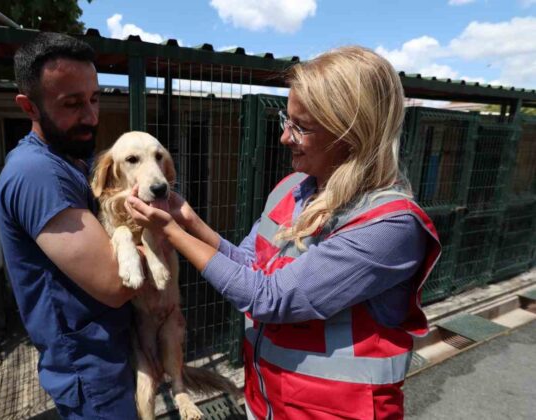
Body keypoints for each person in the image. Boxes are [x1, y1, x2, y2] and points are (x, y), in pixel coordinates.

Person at [126, 46, 442, 420]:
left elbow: (269, 298)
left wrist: (173, 235)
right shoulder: (293, 189)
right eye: (285, 120)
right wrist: (189, 221)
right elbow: (249, 264)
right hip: (268, 403)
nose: (284, 137)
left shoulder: (388, 227)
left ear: (352, 133)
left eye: (301, 127)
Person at [0, 32, 139, 419]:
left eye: (94, 98)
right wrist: (165, 236)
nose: (91, 116)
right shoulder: (38, 173)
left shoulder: (72, 157)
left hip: (111, 353)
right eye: (73, 104)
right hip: (91, 369)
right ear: (29, 107)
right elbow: (116, 282)